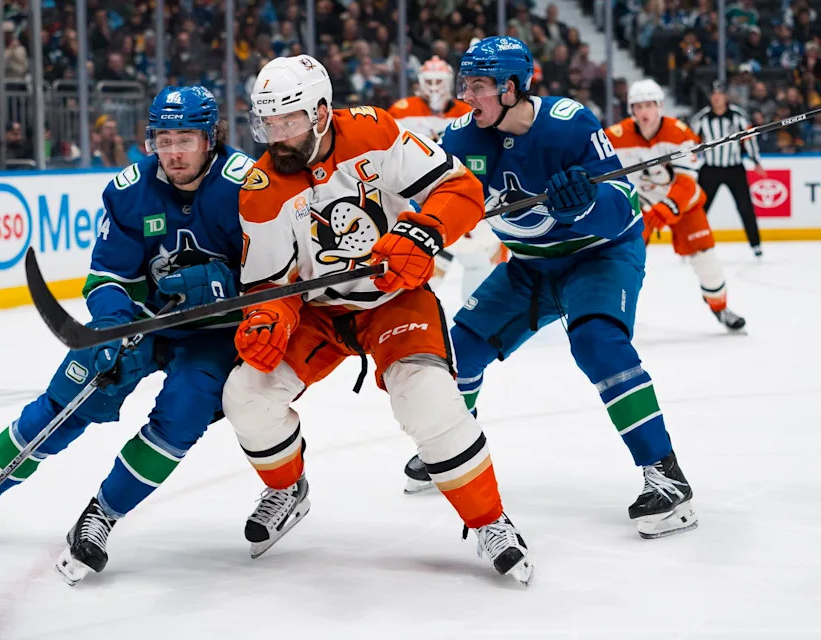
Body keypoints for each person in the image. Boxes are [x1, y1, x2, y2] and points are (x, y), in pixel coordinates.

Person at [0, 86, 254, 585]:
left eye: (186, 138)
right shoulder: (128, 190)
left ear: (211, 137)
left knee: (181, 415)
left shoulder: (249, 185)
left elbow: (279, 274)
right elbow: (106, 278)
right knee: (67, 399)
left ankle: (102, 515)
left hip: (215, 334)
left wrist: (229, 285)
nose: (174, 151)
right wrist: (116, 326)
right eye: (164, 138)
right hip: (144, 321)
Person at [222, 54, 534, 584]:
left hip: (393, 299)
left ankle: (489, 520)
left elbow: (460, 190)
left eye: (289, 121)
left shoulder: (375, 131)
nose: (277, 136)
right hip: (319, 314)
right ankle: (285, 488)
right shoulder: (260, 189)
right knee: (245, 394)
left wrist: (424, 231)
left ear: (320, 112)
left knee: (429, 398)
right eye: (268, 123)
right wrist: (269, 314)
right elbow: (269, 285)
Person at [402, 37, 698, 541]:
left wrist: (585, 203)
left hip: (598, 256)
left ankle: (667, 478)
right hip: (530, 265)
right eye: (464, 84)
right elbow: (433, 199)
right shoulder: (460, 140)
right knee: (458, 350)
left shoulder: (570, 123)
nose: (466, 96)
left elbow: (624, 206)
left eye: (477, 86)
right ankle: (450, 448)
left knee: (596, 342)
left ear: (511, 88)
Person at [608, 79, 746, 331]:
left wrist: (668, 207)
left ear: (659, 106)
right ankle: (613, 313)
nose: (644, 112)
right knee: (624, 260)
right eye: (638, 106)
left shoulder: (680, 133)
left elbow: (687, 182)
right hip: (641, 208)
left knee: (706, 257)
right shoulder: (615, 136)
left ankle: (720, 307)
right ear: (631, 109)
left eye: (649, 105)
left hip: (683, 206)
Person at [388, 55, 501, 304]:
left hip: (457, 190)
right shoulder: (402, 110)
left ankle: (472, 319)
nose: (435, 86)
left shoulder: (467, 111)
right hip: (419, 196)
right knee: (421, 268)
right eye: (430, 80)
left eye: (440, 80)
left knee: (479, 261)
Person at [691, 80, 765, 258]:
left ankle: (756, 245)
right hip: (710, 169)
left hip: (734, 168)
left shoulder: (738, 115)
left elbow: (750, 138)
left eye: (720, 94)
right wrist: (690, 158)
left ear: (725, 96)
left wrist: (756, 161)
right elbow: (692, 141)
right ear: (711, 97)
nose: (717, 98)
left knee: (745, 207)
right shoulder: (701, 118)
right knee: (699, 209)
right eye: (714, 94)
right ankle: (692, 244)